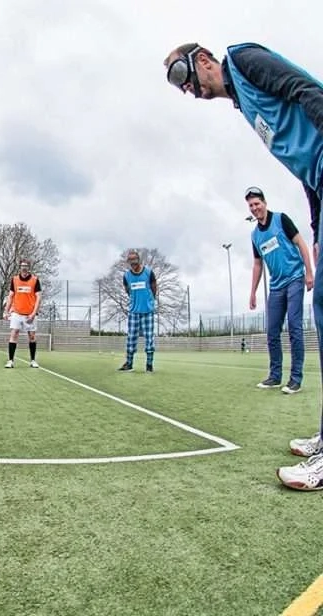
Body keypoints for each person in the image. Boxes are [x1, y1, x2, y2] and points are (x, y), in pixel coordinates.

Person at [164, 41, 323, 489]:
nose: (190, 90)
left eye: (184, 77)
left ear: (204, 59)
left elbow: (306, 91)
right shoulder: (242, 103)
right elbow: (301, 161)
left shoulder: (245, 59)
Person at [246, 186, 313, 394]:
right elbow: (257, 264)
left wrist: (309, 272)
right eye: (251, 206)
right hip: (276, 287)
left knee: (294, 327)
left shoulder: (281, 219)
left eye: (257, 203)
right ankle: (275, 377)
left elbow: (301, 243)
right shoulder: (255, 235)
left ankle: (295, 379)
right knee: (272, 332)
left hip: (294, 278)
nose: (254, 208)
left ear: (265, 203)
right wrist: (253, 291)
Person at [117, 249, 157, 373]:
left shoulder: (149, 273)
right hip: (133, 312)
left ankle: (149, 365)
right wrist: (135, 301)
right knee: (131, 338)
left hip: (147, 311)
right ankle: (129, 364)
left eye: (135, 259)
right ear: (128, 262)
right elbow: (127, 289)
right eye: (130, 260)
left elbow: (154, 287)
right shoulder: (126, 276)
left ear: (138, 260)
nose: (133, 262)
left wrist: (149, 301)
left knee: (149, 338)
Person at [2, 259, 42, 368]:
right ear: (19, 267)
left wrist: (34, 313)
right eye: (22, 266)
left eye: (26, 266)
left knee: (32, 336)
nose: (24, 267)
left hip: (30, 314)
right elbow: (10, 296)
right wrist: (6, 311)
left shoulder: (35, 280)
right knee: (14, 333)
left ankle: (33, 360)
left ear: (29, 267)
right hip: (17, 312)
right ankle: (10, 361)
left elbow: (38, 298)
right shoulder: (14, 280)